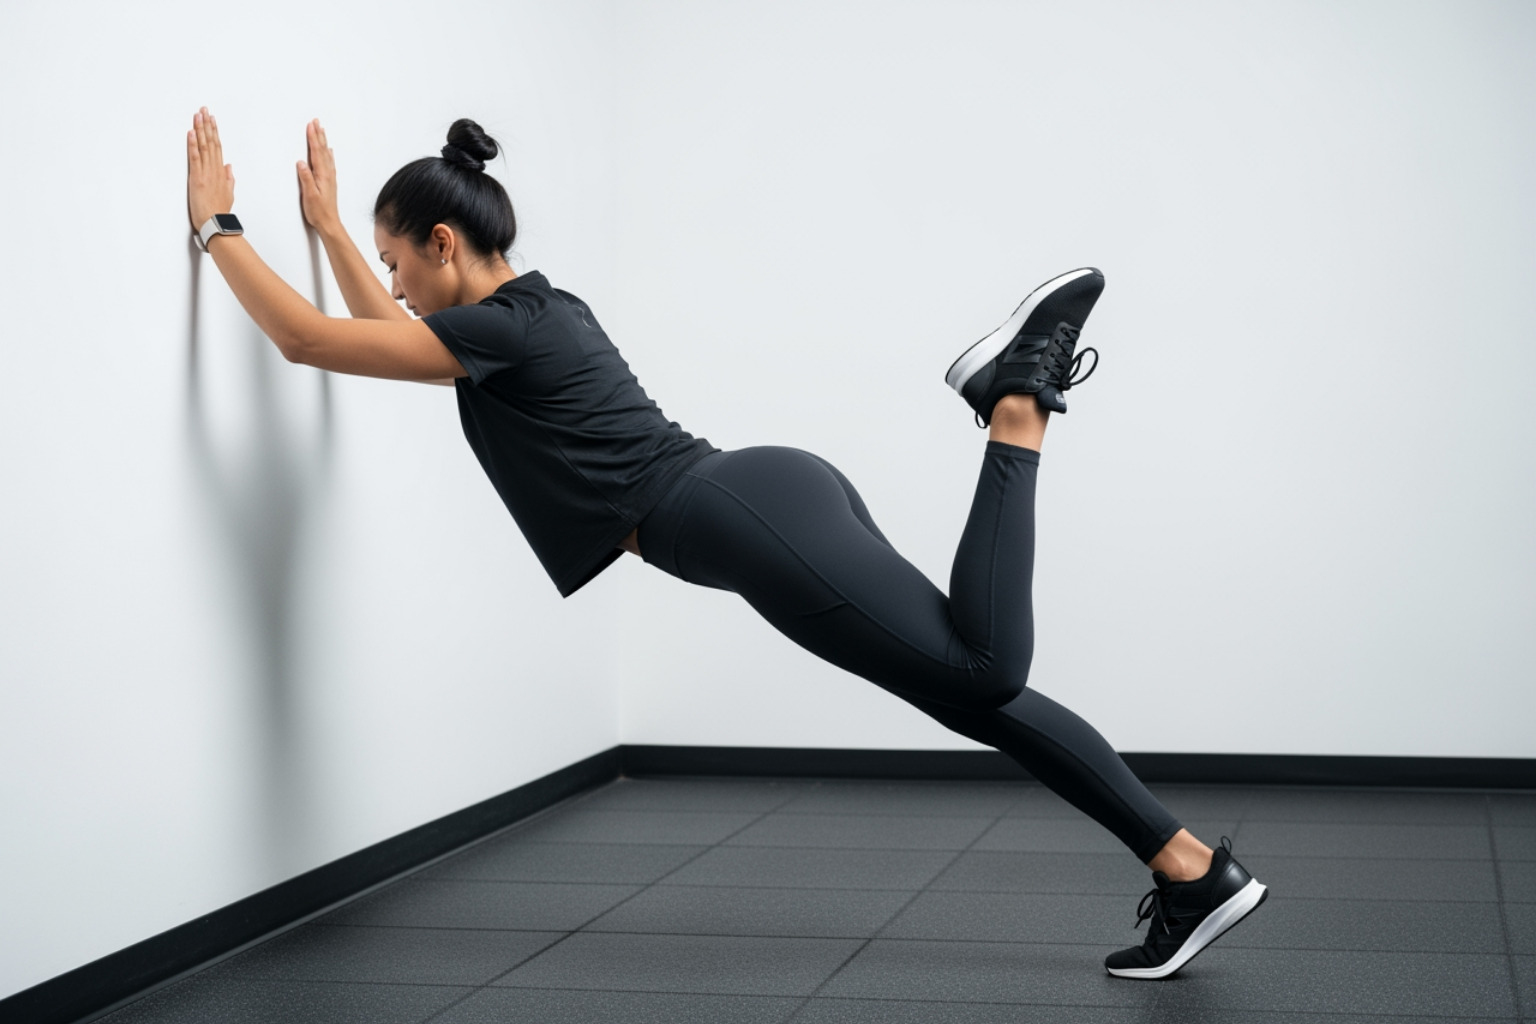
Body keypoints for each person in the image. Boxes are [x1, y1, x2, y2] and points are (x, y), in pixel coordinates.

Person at [184, 106, 1268, 978]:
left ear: (444, 243)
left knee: (985, 668)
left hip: (740, 516)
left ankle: (1017, 400)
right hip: (763, 499)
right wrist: (330, 231)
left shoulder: (508, 328)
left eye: (397, 260)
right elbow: (393, 334)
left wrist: (219, 230)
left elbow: (308, 340)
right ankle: (1189, 871)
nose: (399, 285)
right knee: (972, 692)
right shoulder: (522, 316)